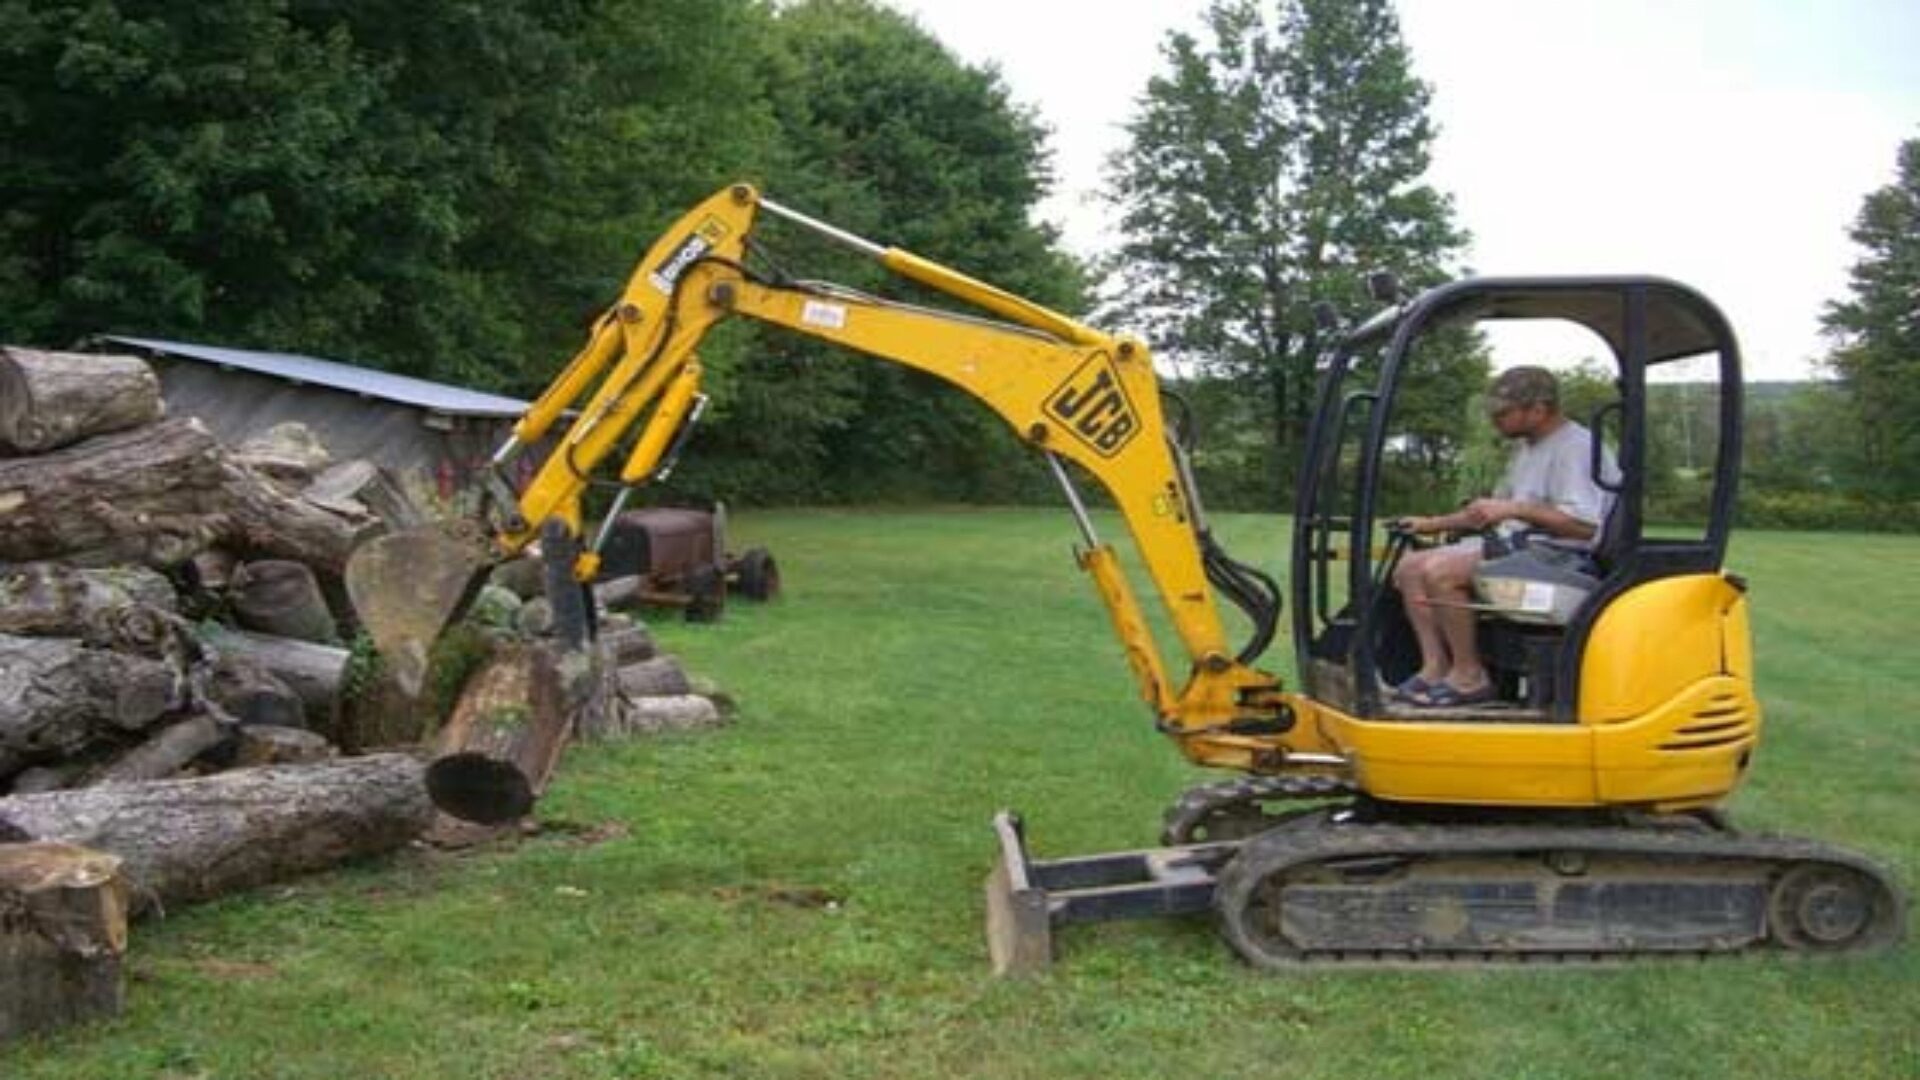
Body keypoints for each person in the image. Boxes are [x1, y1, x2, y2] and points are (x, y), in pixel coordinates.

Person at [1389, 366, 1616, 707]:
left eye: (1502, 413)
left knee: (1442, 572)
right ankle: (1436, 666)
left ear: (1538, 409)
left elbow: (1585, 527)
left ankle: (1470, 675)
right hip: (1525, 548)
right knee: (1408, 568)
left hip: (1565, 558)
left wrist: (1516, 510)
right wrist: (1430, 524)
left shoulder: (1576, 448)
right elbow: (1493, 510)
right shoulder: (1527, 448)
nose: (1495, 421)